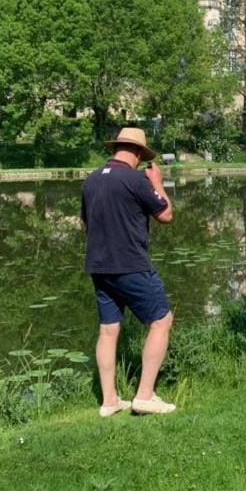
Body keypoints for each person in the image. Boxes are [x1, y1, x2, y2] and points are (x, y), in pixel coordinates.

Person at [81, 127, 176, 417]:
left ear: (116, 149)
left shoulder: (92, 179)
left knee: (108, 330)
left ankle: (109, 401)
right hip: (131, 263)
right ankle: (144, 396)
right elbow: (166, 215)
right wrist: (158, 183)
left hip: (99, 265)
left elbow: (84, 223)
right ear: (138, 153)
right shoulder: (135, 179)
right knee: (161, 320)